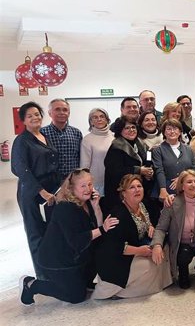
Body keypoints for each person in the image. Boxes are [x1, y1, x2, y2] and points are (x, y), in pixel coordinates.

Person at [19, 169, 118, 305]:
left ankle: (85, 281)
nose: (88, 189)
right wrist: (102, 229)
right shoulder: (65, 208)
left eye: (90, 184)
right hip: (57, 260)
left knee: (100, 247)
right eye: (83, 185)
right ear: (72, 188)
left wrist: (96, 208)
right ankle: (31, 284)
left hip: (75, 256)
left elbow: (97, 231)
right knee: (76, 296)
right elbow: (77, 241)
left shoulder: (88, 202)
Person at [93, 174, 172, 299]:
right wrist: (140, 251)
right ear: (123, 193)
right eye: (132, 187)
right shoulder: (118, 214)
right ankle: (120, 292)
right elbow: (113, 246)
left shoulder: (141, 205)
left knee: (163, 248)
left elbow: (147, 223)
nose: (137, 190)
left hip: (138, 245)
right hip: (117, 257)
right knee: (150, 263)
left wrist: (150, 227)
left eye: (139, 186)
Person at [11, 102, 60, 279]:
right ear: (23, 120)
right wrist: (41, 191)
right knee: (36, 232)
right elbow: (20, 169)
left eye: (37, 114)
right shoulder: (22, 141)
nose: (35, 118)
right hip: (31, 192)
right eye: (30, 115)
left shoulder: (44, 135)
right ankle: (43, 276)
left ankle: (54, 268)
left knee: (52, 229)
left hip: (50, 189)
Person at [151, 169, 195, 289]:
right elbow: (160, 228)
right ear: (181, 185)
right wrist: (156, 245)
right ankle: (183, 272)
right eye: (189, 182)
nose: (193, 185)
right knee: (183, 258)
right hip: (182, 244)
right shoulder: (171, 202)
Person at [103, 118, 155, 215]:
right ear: (120, 131)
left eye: (133, 127)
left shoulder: (141, 143)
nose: (131, 130)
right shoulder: (116, 147)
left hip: (139, 191)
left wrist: (149, 170)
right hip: (120, 194)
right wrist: (139, 170)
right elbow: (115, 171)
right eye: (127, 128)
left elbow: (148, 157)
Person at [152, 119, 195, 205]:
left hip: (186, 189)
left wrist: (182, 177)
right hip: (167, 189)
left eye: (175, 129)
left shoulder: (188, 149)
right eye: (169, 129)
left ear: (180, 131)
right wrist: (163, 189)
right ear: (164, 132)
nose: (172, 131)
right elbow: (159, 170)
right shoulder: (158, 150)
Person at [41, 98, 83, 179]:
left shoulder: (76, 133)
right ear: (50, 113)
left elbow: (80, 157)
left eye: (65, 110)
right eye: (57, 109)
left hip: (73, 180)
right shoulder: (42, 133)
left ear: (69, 113)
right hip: (50, 180)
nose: (62, 113)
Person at [80, 108, 114, 195]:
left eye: (102, 116)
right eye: (95, 117)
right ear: (91, 122)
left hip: (114, 179)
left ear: (107, 120)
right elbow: (85, 166)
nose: (99, 119)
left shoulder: (114, 136)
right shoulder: (87, 139)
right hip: (97, 183)